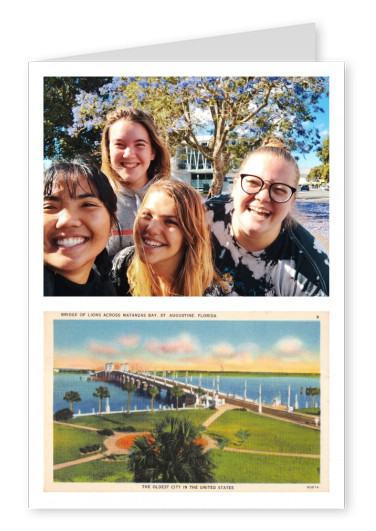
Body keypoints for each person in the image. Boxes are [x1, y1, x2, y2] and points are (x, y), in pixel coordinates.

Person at [206, 137, 329, 296]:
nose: (263, 197)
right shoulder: (202, 217)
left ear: (292, 201)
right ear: (235, 186)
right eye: (253, 183)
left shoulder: (311, 274)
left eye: (279, 189)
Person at [111, 180, 224, 296]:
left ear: (190, 234)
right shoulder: (122, 264)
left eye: (170, 222)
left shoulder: (209, 293)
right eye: (147, 215)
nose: (151, 229)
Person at [101, 107, 171, 257]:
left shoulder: (176, 198)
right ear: (108, 151)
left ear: (152, 152)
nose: (129, 154)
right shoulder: (96, 201)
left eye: (139, 144)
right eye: (120, 144)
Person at [43, 159, 119, 296]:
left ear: (112, 223)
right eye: (50, 207)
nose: (67, 221)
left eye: (87, 205)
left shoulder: (107, 292)